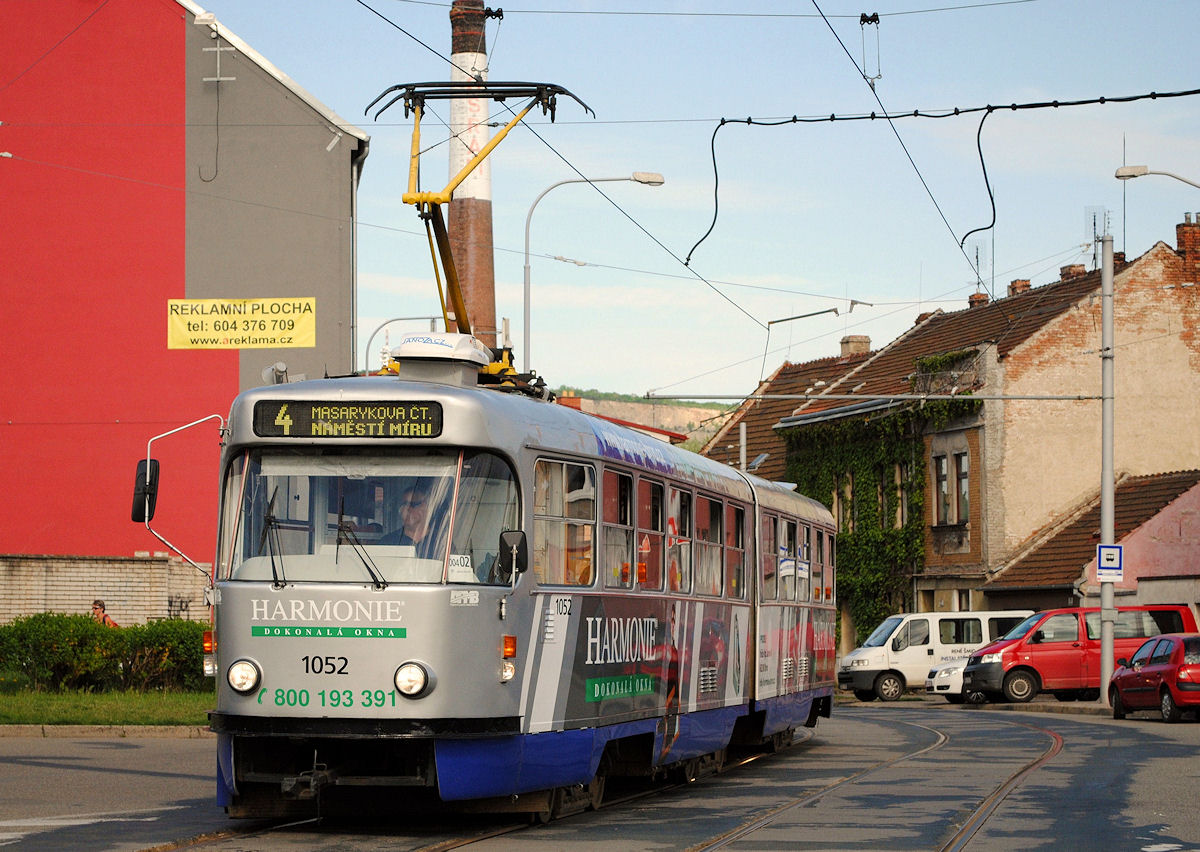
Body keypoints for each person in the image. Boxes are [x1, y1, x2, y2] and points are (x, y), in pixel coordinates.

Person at [380, 486, 442, 557]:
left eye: (414, 504)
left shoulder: (441, 541)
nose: (408, 509)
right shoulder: (387, 542)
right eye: (404, 504)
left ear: (428, 508)